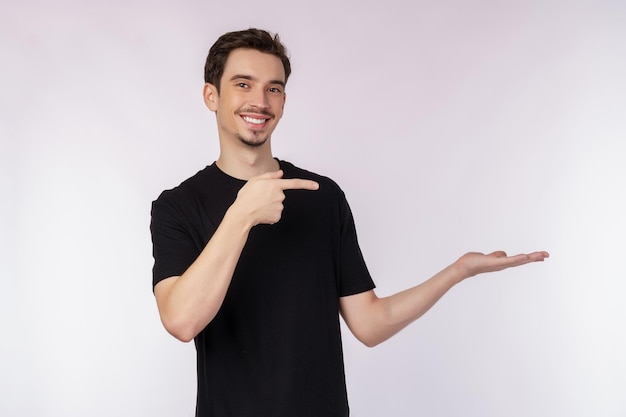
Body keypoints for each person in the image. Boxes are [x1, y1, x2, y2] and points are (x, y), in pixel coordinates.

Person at [150, 28, 549, 417]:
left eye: (273, 88)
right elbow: (182, 321)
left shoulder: (323, 198)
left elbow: (370, 323)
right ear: (211, 95)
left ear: (284, 100)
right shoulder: (178, 207)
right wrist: (242, 214)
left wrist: (458, 271)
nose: (260, 101)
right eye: (243, 84)